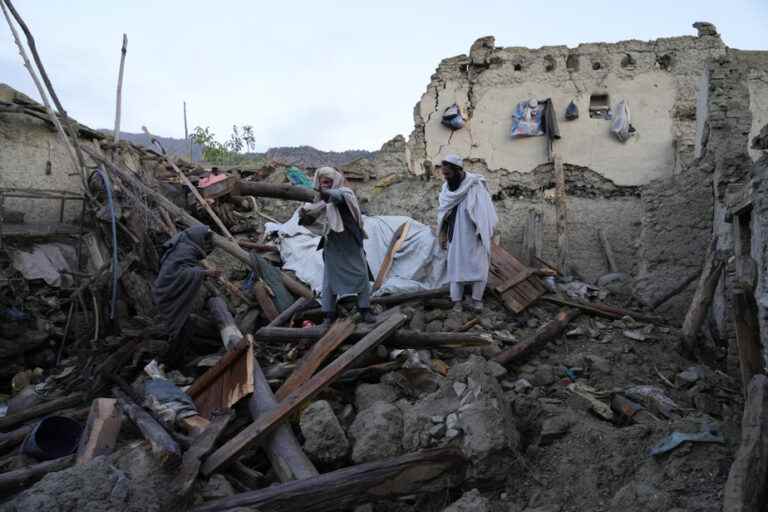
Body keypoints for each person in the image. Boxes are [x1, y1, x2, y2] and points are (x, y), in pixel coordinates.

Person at [298, 166, 376, 326]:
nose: (325, 185)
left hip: (350, 242)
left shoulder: (346, 193)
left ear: (335, 181)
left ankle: (364, 309)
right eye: (322, 182)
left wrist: (324, 193)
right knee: (329, 281)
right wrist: (305, 215)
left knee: (361, 275)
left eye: (328, 182)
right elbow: (312, 214)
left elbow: (337, 197)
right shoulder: (318, 202)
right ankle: (328, 314)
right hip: (332, 244)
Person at [437, 154, 498, 313]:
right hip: (455, 236)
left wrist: (483, 231)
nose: (446, 177)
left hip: (474, 234)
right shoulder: (446, 188)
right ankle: (456, 301)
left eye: (448, 174)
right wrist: (443, 233)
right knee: (456, 266)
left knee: (479, 266)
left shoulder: (475, 185)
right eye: (444, 174)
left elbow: (485, 211)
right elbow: (443, 212)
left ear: (457, 170)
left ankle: (477, 300)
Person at [152, 225, 221, 346]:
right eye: (205, 241)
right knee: (179, 326)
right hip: (167, 293)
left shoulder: (185, 245)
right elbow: (180, 274)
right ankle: (164, 360)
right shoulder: (185, 250)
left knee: (182, 325)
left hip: (165, 290)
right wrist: (206, 272)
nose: (205, 245)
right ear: (198, 238)